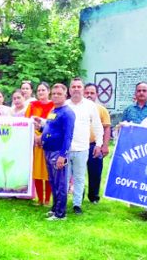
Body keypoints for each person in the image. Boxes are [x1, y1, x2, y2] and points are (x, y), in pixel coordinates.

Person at [65, 78, 103, 215]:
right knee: (64, 178)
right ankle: (61, 203)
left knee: (80, 178)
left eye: (78, 86)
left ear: (82, 89)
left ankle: (77, 205)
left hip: (82, 148)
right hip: (65, 149)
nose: (76, 89)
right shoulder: (64, 105)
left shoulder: (90, 105)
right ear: (69, 90)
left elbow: (98, 126)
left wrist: (99, 144)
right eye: (73, 86)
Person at [38, 83, 75, 221]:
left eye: (59, 94)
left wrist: (62, 156)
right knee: (53, 182)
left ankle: (61, 214)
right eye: (53, 93)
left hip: (58, 152)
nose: (55, 96)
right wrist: (41, 129)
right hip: (48, 150)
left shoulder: (67, 113)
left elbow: (68, 136)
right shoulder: (54, 110)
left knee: (60, 183)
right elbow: (51, 129)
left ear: (65, 95)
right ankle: (55, 208)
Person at [25, 82, 54, 206]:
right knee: (36, 170)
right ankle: (39, 199)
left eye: (43, 90)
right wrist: (35, 137)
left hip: (49, 140)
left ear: (48, 92)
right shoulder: (32, 105)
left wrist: (42, 136)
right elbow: (26, 122)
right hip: (35, 140)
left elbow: (52, 124)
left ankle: (47, 199)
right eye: (39, 90)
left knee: (48, 171)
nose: (41, 92)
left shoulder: (53, 106)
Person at [83, 83, 112, 204]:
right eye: (87, 93)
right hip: (78, 145)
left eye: (92, 93)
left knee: (95, 172)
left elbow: (106, 128)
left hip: (95, 145)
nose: (89, 95)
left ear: (97, 94)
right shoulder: (78, 108)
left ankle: (94, 196)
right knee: (77, 173)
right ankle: (79, 195)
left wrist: (104, 145)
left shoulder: (101, 110)